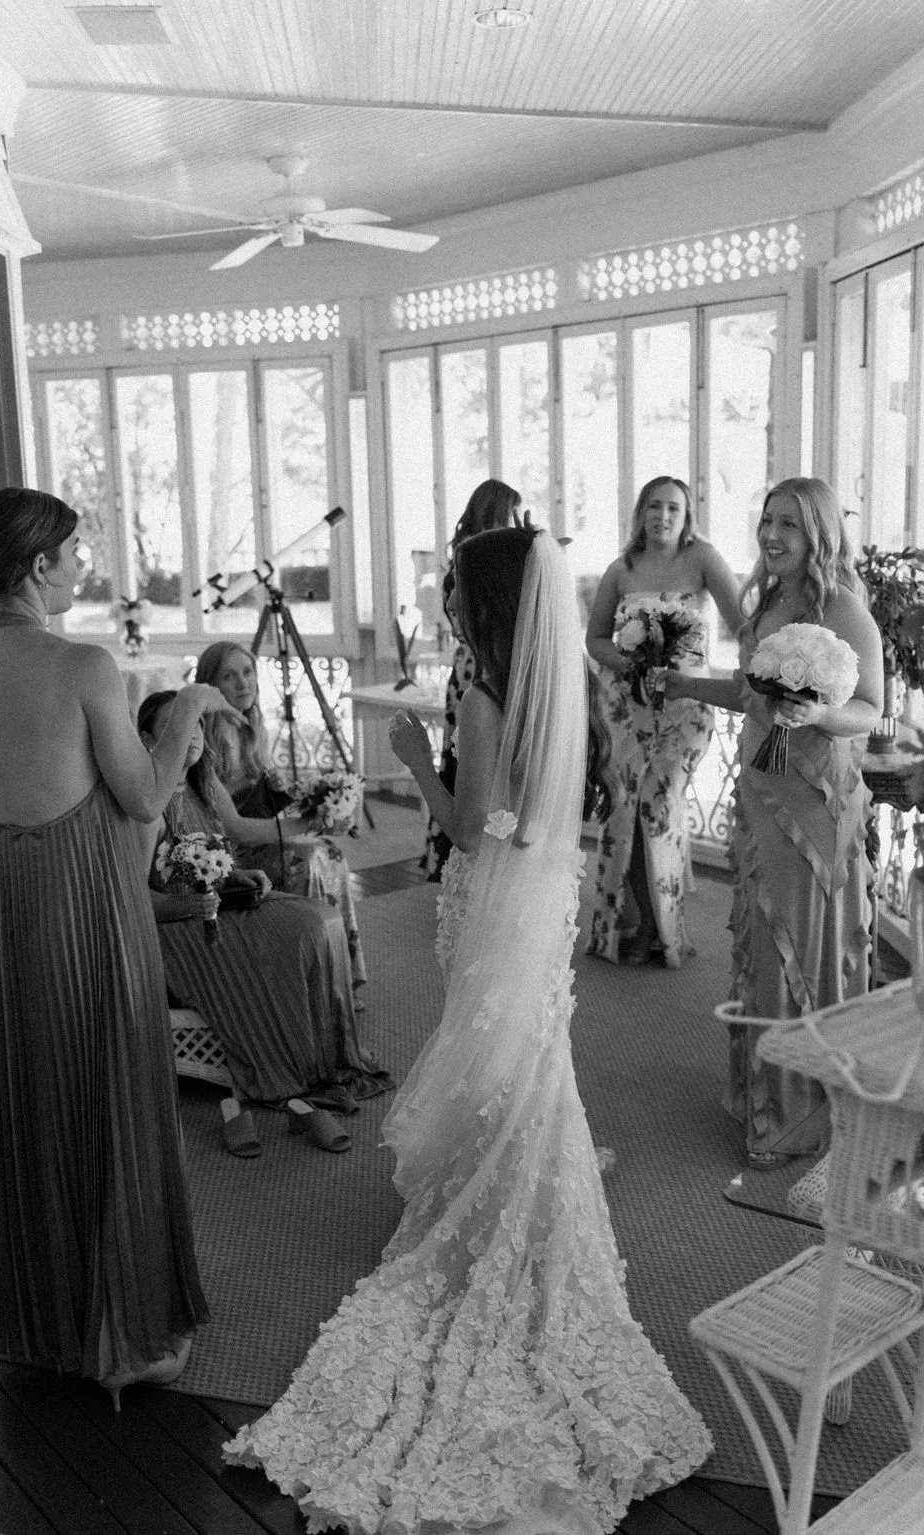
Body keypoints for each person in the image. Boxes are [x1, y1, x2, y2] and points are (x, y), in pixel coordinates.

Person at [223, 526, 711, 1534]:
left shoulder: (489, 699)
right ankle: (513, 1199)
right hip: (542, 897)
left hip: (495, 896)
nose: (446, 601)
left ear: (483, 603)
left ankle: (483, 1209)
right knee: (528, 1058)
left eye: (454, 590)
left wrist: (412, 763)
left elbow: (469, 820)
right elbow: (546, 817)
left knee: (496, 1058)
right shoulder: (558, 685)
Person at [0, 487, 246, 1406]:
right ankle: (131, 1336)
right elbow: (141, 798)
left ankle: (57, 1327)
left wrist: (8, 788)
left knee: (40, 1100)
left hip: (10, 915)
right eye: (74, 550)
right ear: (40, 567)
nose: (83, 563)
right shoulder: (85, 666)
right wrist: (184, 717)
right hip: (90, 906)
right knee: (116, 1092)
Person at [665, 477, 882, 1165]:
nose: (772, 534)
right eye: (767, 520)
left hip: (817, 805)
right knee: (763, 946)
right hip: (763, 792)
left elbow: (871, 707)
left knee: (802, 954)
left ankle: (799, 1117)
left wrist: (819, 715)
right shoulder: (763, 604)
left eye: (788, 523)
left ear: (817, 531)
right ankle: (765, 1097)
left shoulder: (845, 609)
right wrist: (682, 682)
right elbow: (746, 690)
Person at [136, 690, 392, 1154]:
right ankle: (290, 1076)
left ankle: (326, 1059)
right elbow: (133, 898)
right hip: (182, 929)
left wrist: (241, 876)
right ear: (147, 738)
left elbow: (219, 854)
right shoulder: (146, 809)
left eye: (195, 724)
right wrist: (192, 906)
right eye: (177, 726)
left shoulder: (199, 783)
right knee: (299, 933)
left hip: (217, 909)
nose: (190, 736)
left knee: (323, 919)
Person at [586, 476, 742, 968]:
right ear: (641, 512)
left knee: (658, 809)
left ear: (687, 514)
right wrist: (630, 661)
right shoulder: (621, 567)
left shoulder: (703, 559)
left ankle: (660, 929)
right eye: (654, 506)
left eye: (674, 507)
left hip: (684, 710)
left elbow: (744, 624)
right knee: (623, 813)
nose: (664, 516)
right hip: (624, 710)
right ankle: (631, 924)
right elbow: (595, 640)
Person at [195, 642, 366, 995]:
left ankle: (338, 976)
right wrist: (302, 827)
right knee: (302, 858)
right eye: (228, 676)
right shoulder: (202, 742)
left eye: (247, 672)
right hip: (224, 853)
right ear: (210, 686)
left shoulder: (253, 728)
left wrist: (320, 801)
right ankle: (310, 980)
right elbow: (234, 827)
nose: (243, 683)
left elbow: (277, 797)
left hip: (258, 837)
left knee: (329, 853)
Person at [423, 478, 522, 879]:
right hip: (474, 665)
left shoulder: (493, 563)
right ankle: (446, 857)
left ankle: (479, 852)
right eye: (513, 511)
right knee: (464, 765)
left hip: (482, 667)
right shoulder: (473, 566)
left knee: (475, 764)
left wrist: (415, 760)